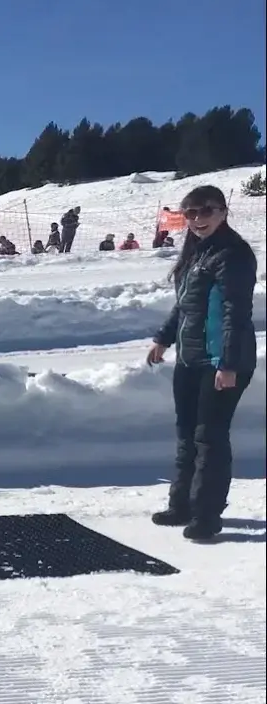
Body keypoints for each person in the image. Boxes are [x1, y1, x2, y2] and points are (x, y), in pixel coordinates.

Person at [146, 185, 258, 541]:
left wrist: (228, 363)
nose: (197, 219)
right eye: (190, 213)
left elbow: (235, 312)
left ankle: (207, 515)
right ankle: (182, 505)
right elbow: (185, 305)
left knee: (210, 436)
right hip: (191, 357)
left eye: (206, 211)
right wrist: (163, 338)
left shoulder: (233, 254)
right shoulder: (198, 252)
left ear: (223, 212)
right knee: (187, 434)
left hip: (223, 360)